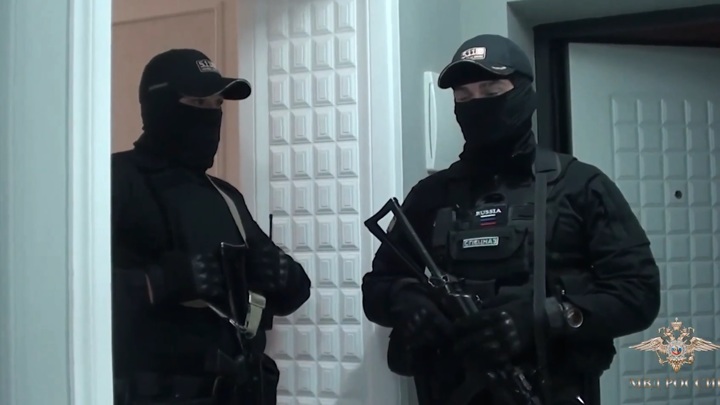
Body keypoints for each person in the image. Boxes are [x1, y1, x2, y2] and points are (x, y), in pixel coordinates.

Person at [361, 34, 661, 405]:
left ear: (524, 94)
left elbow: (638, 294)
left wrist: (544, 318)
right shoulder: (430, 195)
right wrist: (405, 300)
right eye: (463, 97)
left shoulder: (580, 186)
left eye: (491, 91)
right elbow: (377, 287)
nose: (477, 105)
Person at [111, 49, 312, 405]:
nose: (211, 115)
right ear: (160, 106)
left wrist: (282, 276)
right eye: (198, 102)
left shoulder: (225, 196)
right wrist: (158, 283)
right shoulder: (115, 180)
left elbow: (292, 293)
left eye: (217, 104)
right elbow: (64, 293)